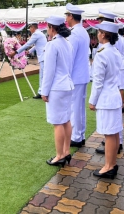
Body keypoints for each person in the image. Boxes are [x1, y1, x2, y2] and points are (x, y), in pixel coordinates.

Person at [89, 21, 123, 179]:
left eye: (99, 31)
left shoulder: (102, 53)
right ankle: (112, 163)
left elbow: (98, 82)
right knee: (114, 133)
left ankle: (109, 166)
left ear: (103, 34)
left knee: (109, 135)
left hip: (106, 98)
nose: (97, 34)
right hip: (114, 96)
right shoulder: (114, 51)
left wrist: (92, 100)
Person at [41, 15, 74, 167]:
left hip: (56, 87)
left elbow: (49, 71)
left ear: (52, 28)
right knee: (66, 119)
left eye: (48, 27)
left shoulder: (52, 45)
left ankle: (60, 155)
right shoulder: (67, 43)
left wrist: (44, 91)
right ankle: (66, 151)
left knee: (57, 123)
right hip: (67, 85)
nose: (47, 30)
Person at [65, 3, 90, 148]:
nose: (66, 19)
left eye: (67, 16)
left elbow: (70, 56)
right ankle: (80, 134)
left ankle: (76, 136)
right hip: (82, 75)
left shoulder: (74, 33)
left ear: (71, 17)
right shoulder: (83, 31)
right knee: (79, 107)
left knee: (75, 107)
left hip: (75, 76)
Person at [9, 22, 47, 99]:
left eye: (30, 28)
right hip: (44, 56)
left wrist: (15, 52)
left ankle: (41, 92)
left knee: (42, 75)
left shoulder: (36, 34)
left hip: (43, 57)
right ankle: (43, 92)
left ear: (33, 27)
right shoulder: (40, 34)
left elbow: (27, 44)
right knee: (43, 75)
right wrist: (29, 51)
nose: (30, 30)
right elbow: (37, 46)